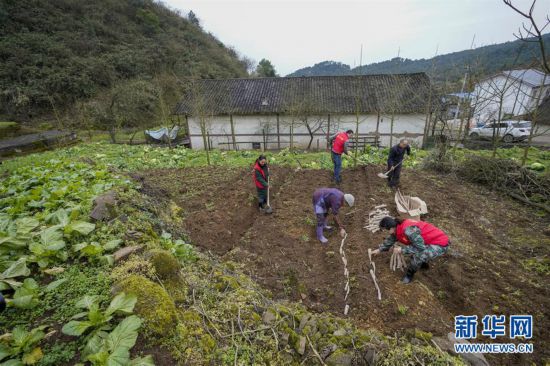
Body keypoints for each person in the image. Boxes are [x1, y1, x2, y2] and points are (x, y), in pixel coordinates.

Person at [370, 216, 450, 284]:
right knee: (416, 250)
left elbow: (420, 248)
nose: (387, 232)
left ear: (391, 228)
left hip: (440, 243)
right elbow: (391, 239)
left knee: (419, 255)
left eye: (386, 230)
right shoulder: (397, 228)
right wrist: (379, 250)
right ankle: (423, 264)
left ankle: (409, 275)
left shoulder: (408, 230)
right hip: (427, 241)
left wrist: (402, 249)